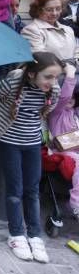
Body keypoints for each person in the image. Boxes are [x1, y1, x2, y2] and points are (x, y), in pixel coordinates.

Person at [0, 52, 62, 263]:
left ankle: (34, 235)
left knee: (32, 189)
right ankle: (16, 235)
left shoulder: (54, 90)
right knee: (15, 190)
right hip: (9, 142)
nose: (53, 82)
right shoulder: (14, 82)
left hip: (33, 142)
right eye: (48, 77)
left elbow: (48, 109)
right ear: (32, 74)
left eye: (56, 77)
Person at [47, 63, 79, 220]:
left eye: (75, 96)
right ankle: (76, 203)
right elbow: (65, 96)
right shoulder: (57, 112)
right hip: (62, 150)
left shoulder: (75, 115)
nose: (71, 98)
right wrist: (70, 76)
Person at [21, 0, 77, 64]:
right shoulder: (31, 30)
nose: (54, 13)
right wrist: (67, 66)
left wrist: (72, 67)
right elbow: (40, 58)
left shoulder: (68, 29)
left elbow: (77, 52)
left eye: (58, 8)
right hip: (50, 73)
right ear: (38, 10)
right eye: (49, 10)